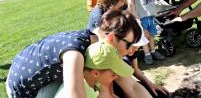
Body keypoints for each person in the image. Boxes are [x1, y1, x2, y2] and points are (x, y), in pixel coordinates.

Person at [6, 10, 153, 98]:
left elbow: (132, 87)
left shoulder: (103, 49)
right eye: (129, 44)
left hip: (49, 76)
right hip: (25, 90)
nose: (130, 51)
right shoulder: (75, 54)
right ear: (112, 37)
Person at [55, 41, 134, 98]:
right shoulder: (85, 91)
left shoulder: (93, 82)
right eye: (113, 75)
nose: (116, 77)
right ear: (95, 73)